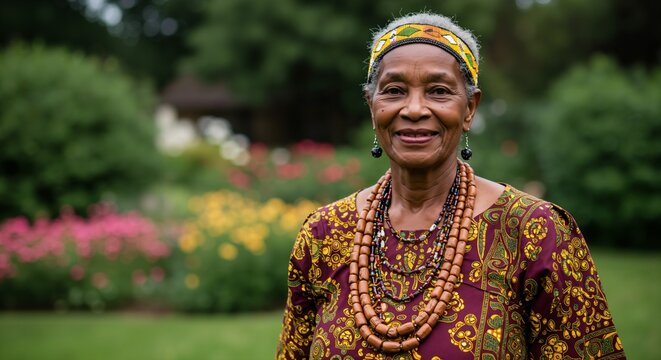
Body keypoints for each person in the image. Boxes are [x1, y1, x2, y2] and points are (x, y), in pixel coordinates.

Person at [276, 11, 625, 360]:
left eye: (439, 91)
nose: (414, 109)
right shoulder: (324, 234)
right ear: (372, 107)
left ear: (470, 108)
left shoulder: (533, 231)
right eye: (394, 91)